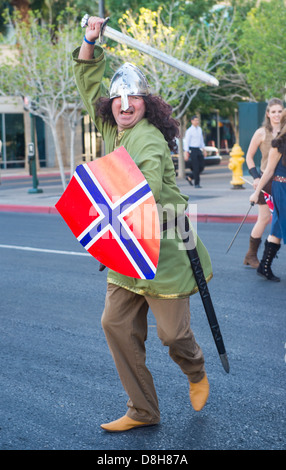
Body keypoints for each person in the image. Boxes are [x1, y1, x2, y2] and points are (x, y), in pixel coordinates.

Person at [73, 16, 213, 432]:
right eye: (118, 99)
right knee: (114, 323)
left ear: (145, 104)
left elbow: (144, 187)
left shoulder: (147, 137)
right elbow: (88, 85)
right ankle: (143, 410)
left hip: (163, 246)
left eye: (133, 98)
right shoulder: (111, 126)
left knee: (172, 336)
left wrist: (109, 213)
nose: (125, 104)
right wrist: (89, 41)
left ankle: (195, 369)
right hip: (127, 246)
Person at [244, 98, 284, 268]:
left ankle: (266, 261)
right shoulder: (261, 133)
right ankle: (251, 255)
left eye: (279, 111)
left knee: (278, 219)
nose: (276, 114)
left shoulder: (284, 131)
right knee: (264, 218)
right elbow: (249, 157)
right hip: (266, 181)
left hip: (282, 181)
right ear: (268, 114)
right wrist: (255, 177)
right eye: (273, 111)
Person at [183, 115, 207, 188]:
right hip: (192, 150)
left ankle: (190, 177)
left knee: (201, 166)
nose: (197, 122)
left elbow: (201, 140)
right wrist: (186, 153)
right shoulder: (189, 131)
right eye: (195, 120)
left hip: (198, 150)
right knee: (195, 167)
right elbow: (186, 142)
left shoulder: (199, 129)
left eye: (198, 120)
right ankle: (197, 184)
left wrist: (204, 149)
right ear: (192, 121)